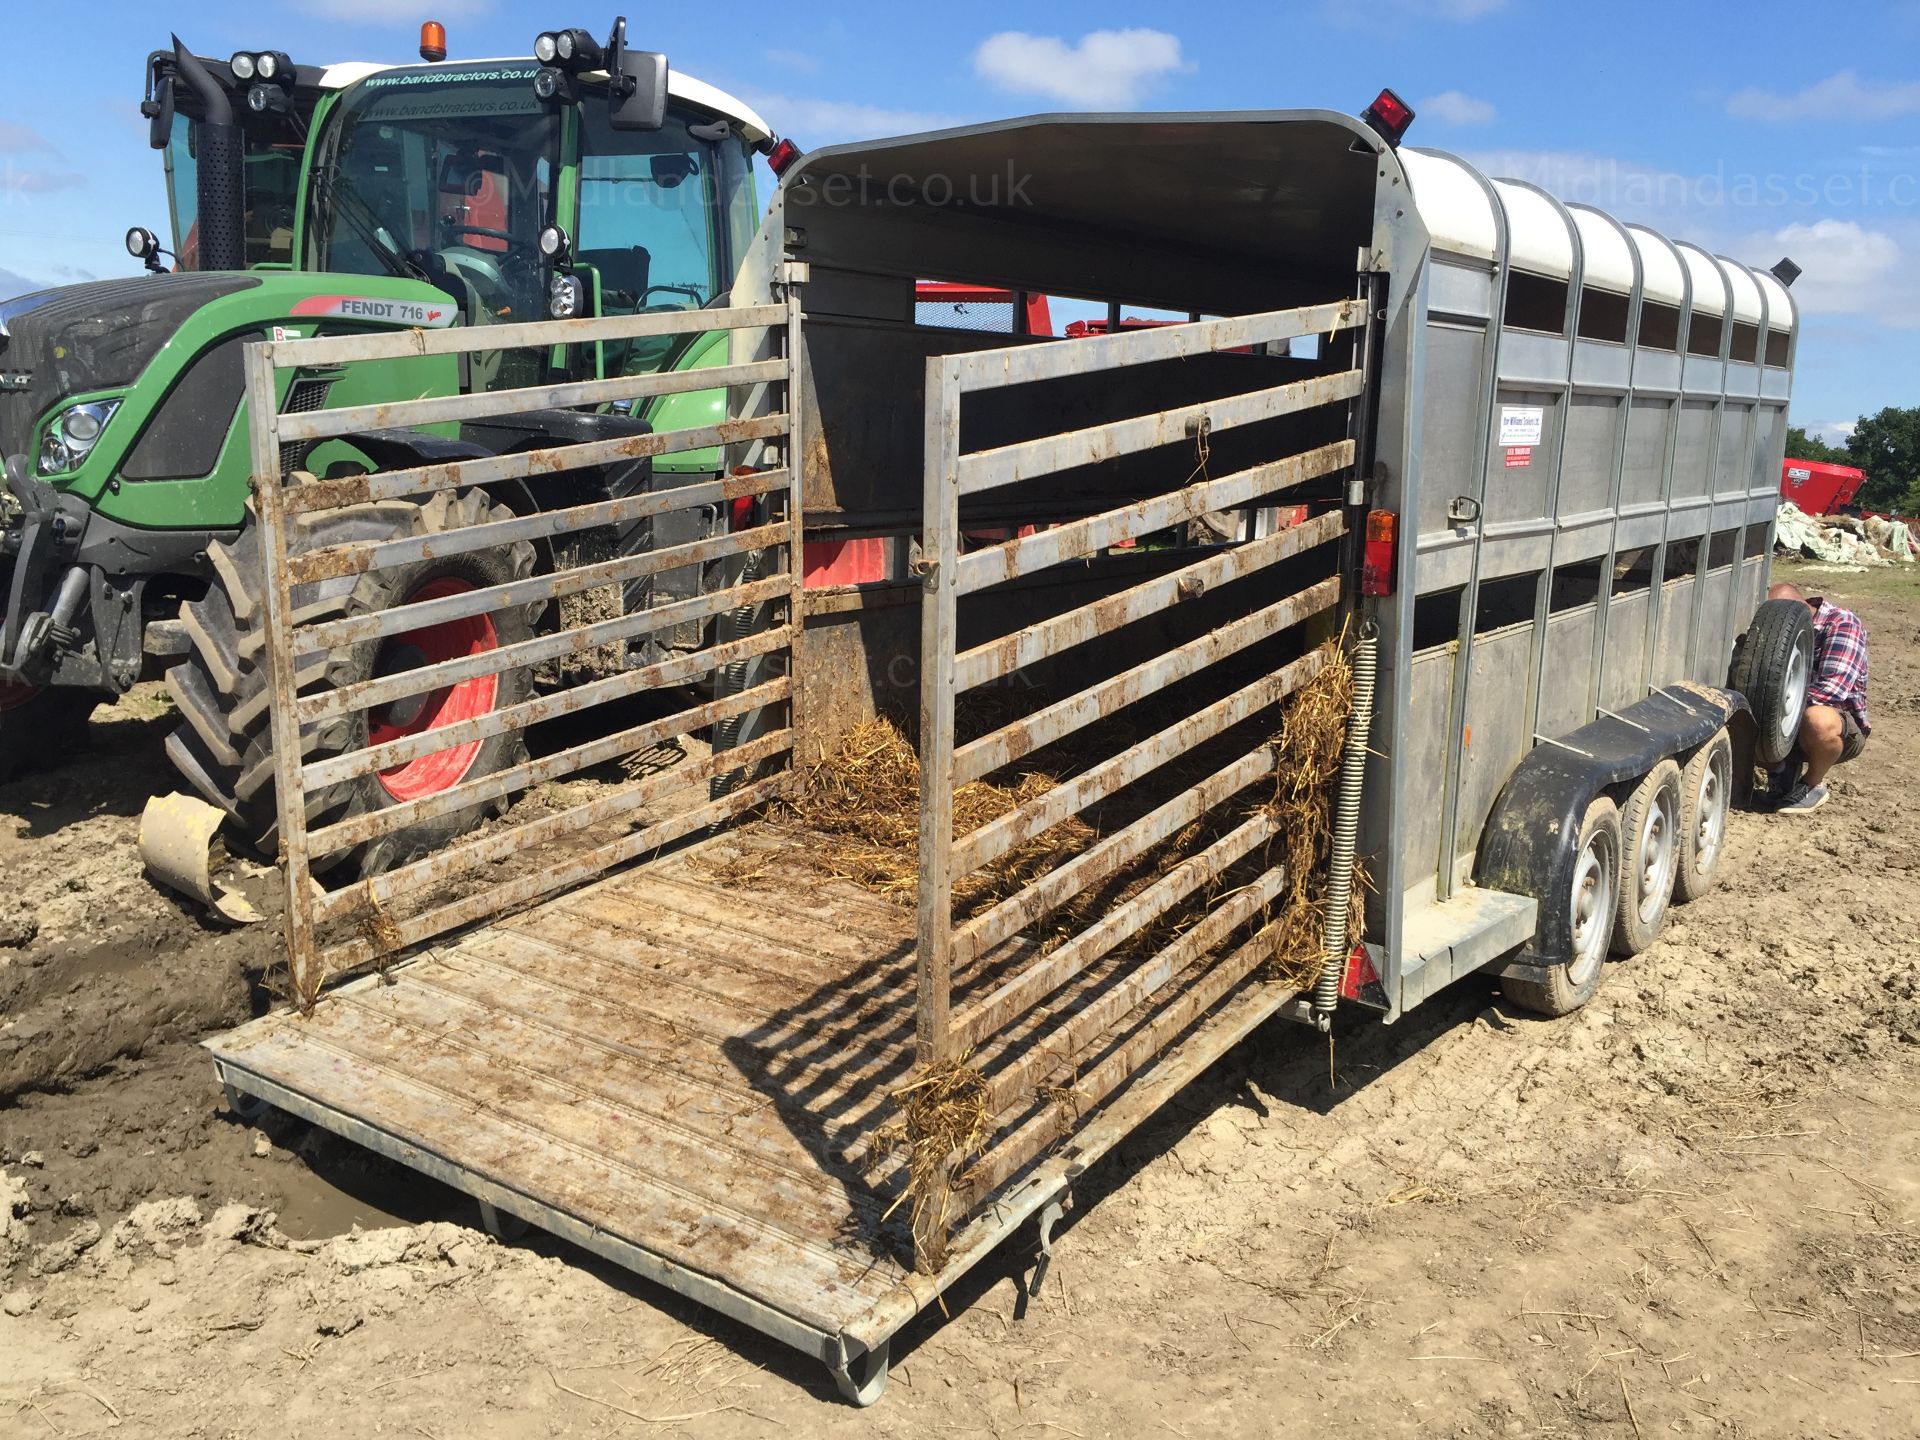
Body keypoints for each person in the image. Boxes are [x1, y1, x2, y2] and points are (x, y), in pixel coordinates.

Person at [1764, 581, 1869, 815]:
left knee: (1818, 719)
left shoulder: (1842, 623)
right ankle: (1781, 773)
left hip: (1837, 724)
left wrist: (1767, 705)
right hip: (1785, 716)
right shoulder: (1773, 630)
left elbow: (1832, 690)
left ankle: (1813, 783)